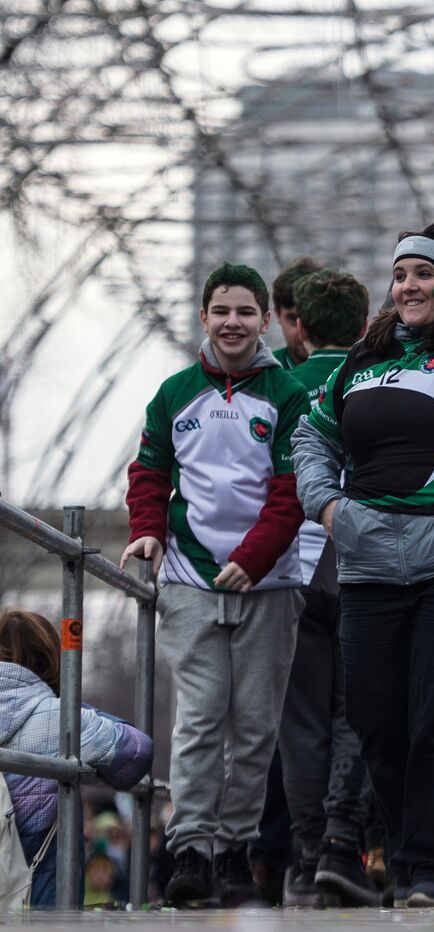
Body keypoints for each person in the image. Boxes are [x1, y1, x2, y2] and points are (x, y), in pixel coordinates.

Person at [290, 112, 434, 908]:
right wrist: (325, 507)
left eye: (427, 274)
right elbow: (312, 437)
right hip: (368, 560)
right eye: (401, 276)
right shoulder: (362, 361)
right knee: (383, 727)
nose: (410, 286)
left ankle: (430, 872)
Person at [120, 260, 306, 907]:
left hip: (271, 582)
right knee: (200, 718)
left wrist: (255, 559)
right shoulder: (174, 393)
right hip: (189, 577)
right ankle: (189, 848)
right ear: (204, 318)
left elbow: (291, 493)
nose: (233, 323)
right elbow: (148, 472)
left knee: (254, 725)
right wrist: (146, 527)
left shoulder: (287, 396)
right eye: (221, 311)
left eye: (245, 312)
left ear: (265, 321)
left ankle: (234, 850)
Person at [273, 268, 377, 908]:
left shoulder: (280, 389)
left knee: (300, 725)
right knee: (356, 713)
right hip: (360, 566)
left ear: (299, 330)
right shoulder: (370, 380)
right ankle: (344, 841)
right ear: (365, 328)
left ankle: (306, 859)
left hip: (288, 575)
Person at [0, 610, 153, 908]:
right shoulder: (63, 719)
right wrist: (71, 706)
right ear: (52, 660)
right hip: (39, 905)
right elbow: (137, 753)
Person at [270, 257, 323, 369]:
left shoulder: (350, 370)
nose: (303, 331)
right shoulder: (263, 374)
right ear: (278, 315)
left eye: (312, 318)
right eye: (293, 319)